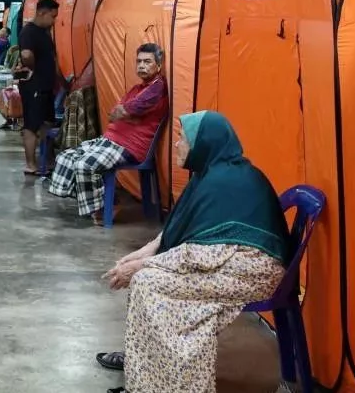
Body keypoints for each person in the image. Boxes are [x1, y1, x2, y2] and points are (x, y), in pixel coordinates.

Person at [97, 110, 291, 393]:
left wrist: (142, 266)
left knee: (148, 283)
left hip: (252, 271)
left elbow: (203, 251)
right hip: (230, 261)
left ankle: (171, 382)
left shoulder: (224, 181)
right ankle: (149, 367)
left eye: (182, 139)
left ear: (204, 143)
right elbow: (187, 231)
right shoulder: (212, 174)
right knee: (147, 281)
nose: (176, 144)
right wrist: (145, 252)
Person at [47, 43, 167, 225]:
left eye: (147, 62)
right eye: (139, 61)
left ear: (158, 66)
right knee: (65, 156)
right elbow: (115, 113)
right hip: (110, 140)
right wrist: (127, 114)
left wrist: (126, 113)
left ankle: (104, 208)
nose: (141, 65)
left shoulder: (157, 88)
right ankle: (103, 202)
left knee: (84, 165)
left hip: (129, 146)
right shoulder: (137, 89)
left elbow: (127, 110)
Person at [17, 0, 59, 175]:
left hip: (46, 86)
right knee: (32, 125)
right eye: (53, 16)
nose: (54, 20)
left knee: (47, 123)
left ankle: (47, 162)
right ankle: (31, 164)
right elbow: (26, 55)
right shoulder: (29, 32)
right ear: (41, 12)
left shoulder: (45, 31)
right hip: (34, 86)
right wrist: (34, 68)